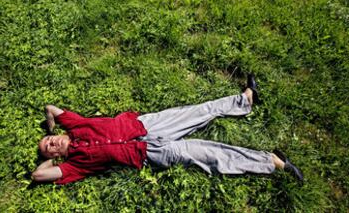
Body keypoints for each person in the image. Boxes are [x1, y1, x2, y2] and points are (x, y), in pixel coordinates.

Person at [32, 74, 303, 184]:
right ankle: (274, 162)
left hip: (146, 124)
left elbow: (51, 108)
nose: (52, 143)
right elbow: (37, 176)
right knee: (210, 154)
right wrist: (47, 158)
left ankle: (245, 99)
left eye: (49, 139)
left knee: (199, 111)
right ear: (55, 156)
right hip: (150, 152)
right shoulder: (75, 165)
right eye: (49, 148)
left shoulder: (76, 125)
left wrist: (51, 123)